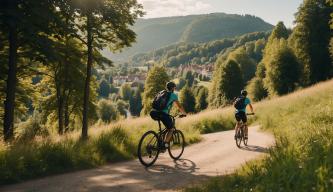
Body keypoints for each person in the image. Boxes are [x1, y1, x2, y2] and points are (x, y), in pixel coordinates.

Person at [150, 81, 187, 149]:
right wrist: (184, 113)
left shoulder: (161, 92)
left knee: (164, 128)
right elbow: (179, 106)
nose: (174, 89)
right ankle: (165, 144)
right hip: (163, 114)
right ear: (173, 88)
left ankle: (159, 143)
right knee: (171, 129)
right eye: (174, 88)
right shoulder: (173, 95)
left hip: (153, 112)